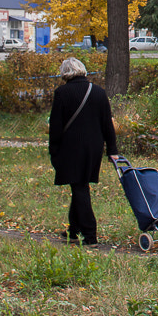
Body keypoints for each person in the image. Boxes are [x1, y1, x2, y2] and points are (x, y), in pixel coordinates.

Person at [49, 56, 118, 246]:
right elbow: (107, 124)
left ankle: (90, 235)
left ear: (65, 73)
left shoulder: (62, 93)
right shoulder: (98, 92)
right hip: (94, 148)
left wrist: (54, 151)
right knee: (79, 186)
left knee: (79, 188)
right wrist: (112, 149)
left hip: (71, 149)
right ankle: (74, 230)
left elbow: (55, 126)